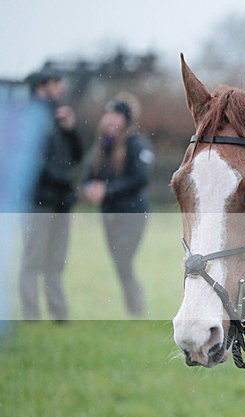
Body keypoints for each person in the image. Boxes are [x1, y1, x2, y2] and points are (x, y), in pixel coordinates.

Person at [18, 68, 84, 321]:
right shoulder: (30, 117)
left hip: (61, 202)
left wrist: (70, 129)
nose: (61, 88)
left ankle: (58, 314)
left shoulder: (59, 117)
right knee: (33, 259)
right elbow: (34, 162)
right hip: (39, 201)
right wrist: (63, 179)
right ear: (42, 86)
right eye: (57, 83)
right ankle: (31, 314)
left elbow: (77, 155)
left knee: (56, 260)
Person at [83, 93, 152, 316]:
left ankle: (136, 306)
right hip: (109, 214)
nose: (111, 119)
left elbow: (140, 177)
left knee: (124, 260)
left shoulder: (136, 143)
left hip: (132, 213)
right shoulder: (102, 145)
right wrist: (89, 187)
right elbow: (89, 172)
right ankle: (134, 305)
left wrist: (107, 190)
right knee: (120, 264)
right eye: (109, 114)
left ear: (126, 119)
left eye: (116, 115)